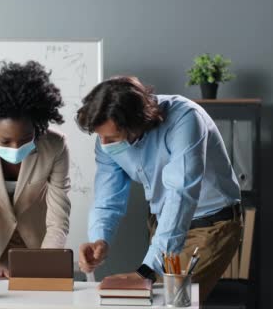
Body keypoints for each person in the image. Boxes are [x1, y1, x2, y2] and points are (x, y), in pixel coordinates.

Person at [77, 76, 241, 300]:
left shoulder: (185, 119)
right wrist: (100, 240)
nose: (104, 144)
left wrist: (146, 270)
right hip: (163, 223)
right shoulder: (107, 137)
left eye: (112, 137)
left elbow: (180, 196)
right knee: (154, 300)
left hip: (209, 225)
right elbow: (107, 197)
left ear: (138, 123)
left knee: (172, 301)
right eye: (100, 136)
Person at [0, 61, 72, 283]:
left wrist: (46, 263)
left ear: (37, 127)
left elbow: (59, 215)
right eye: (5, 140)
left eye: (25, 139)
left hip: (39, 243)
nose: (15, 147)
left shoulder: (55, 145)